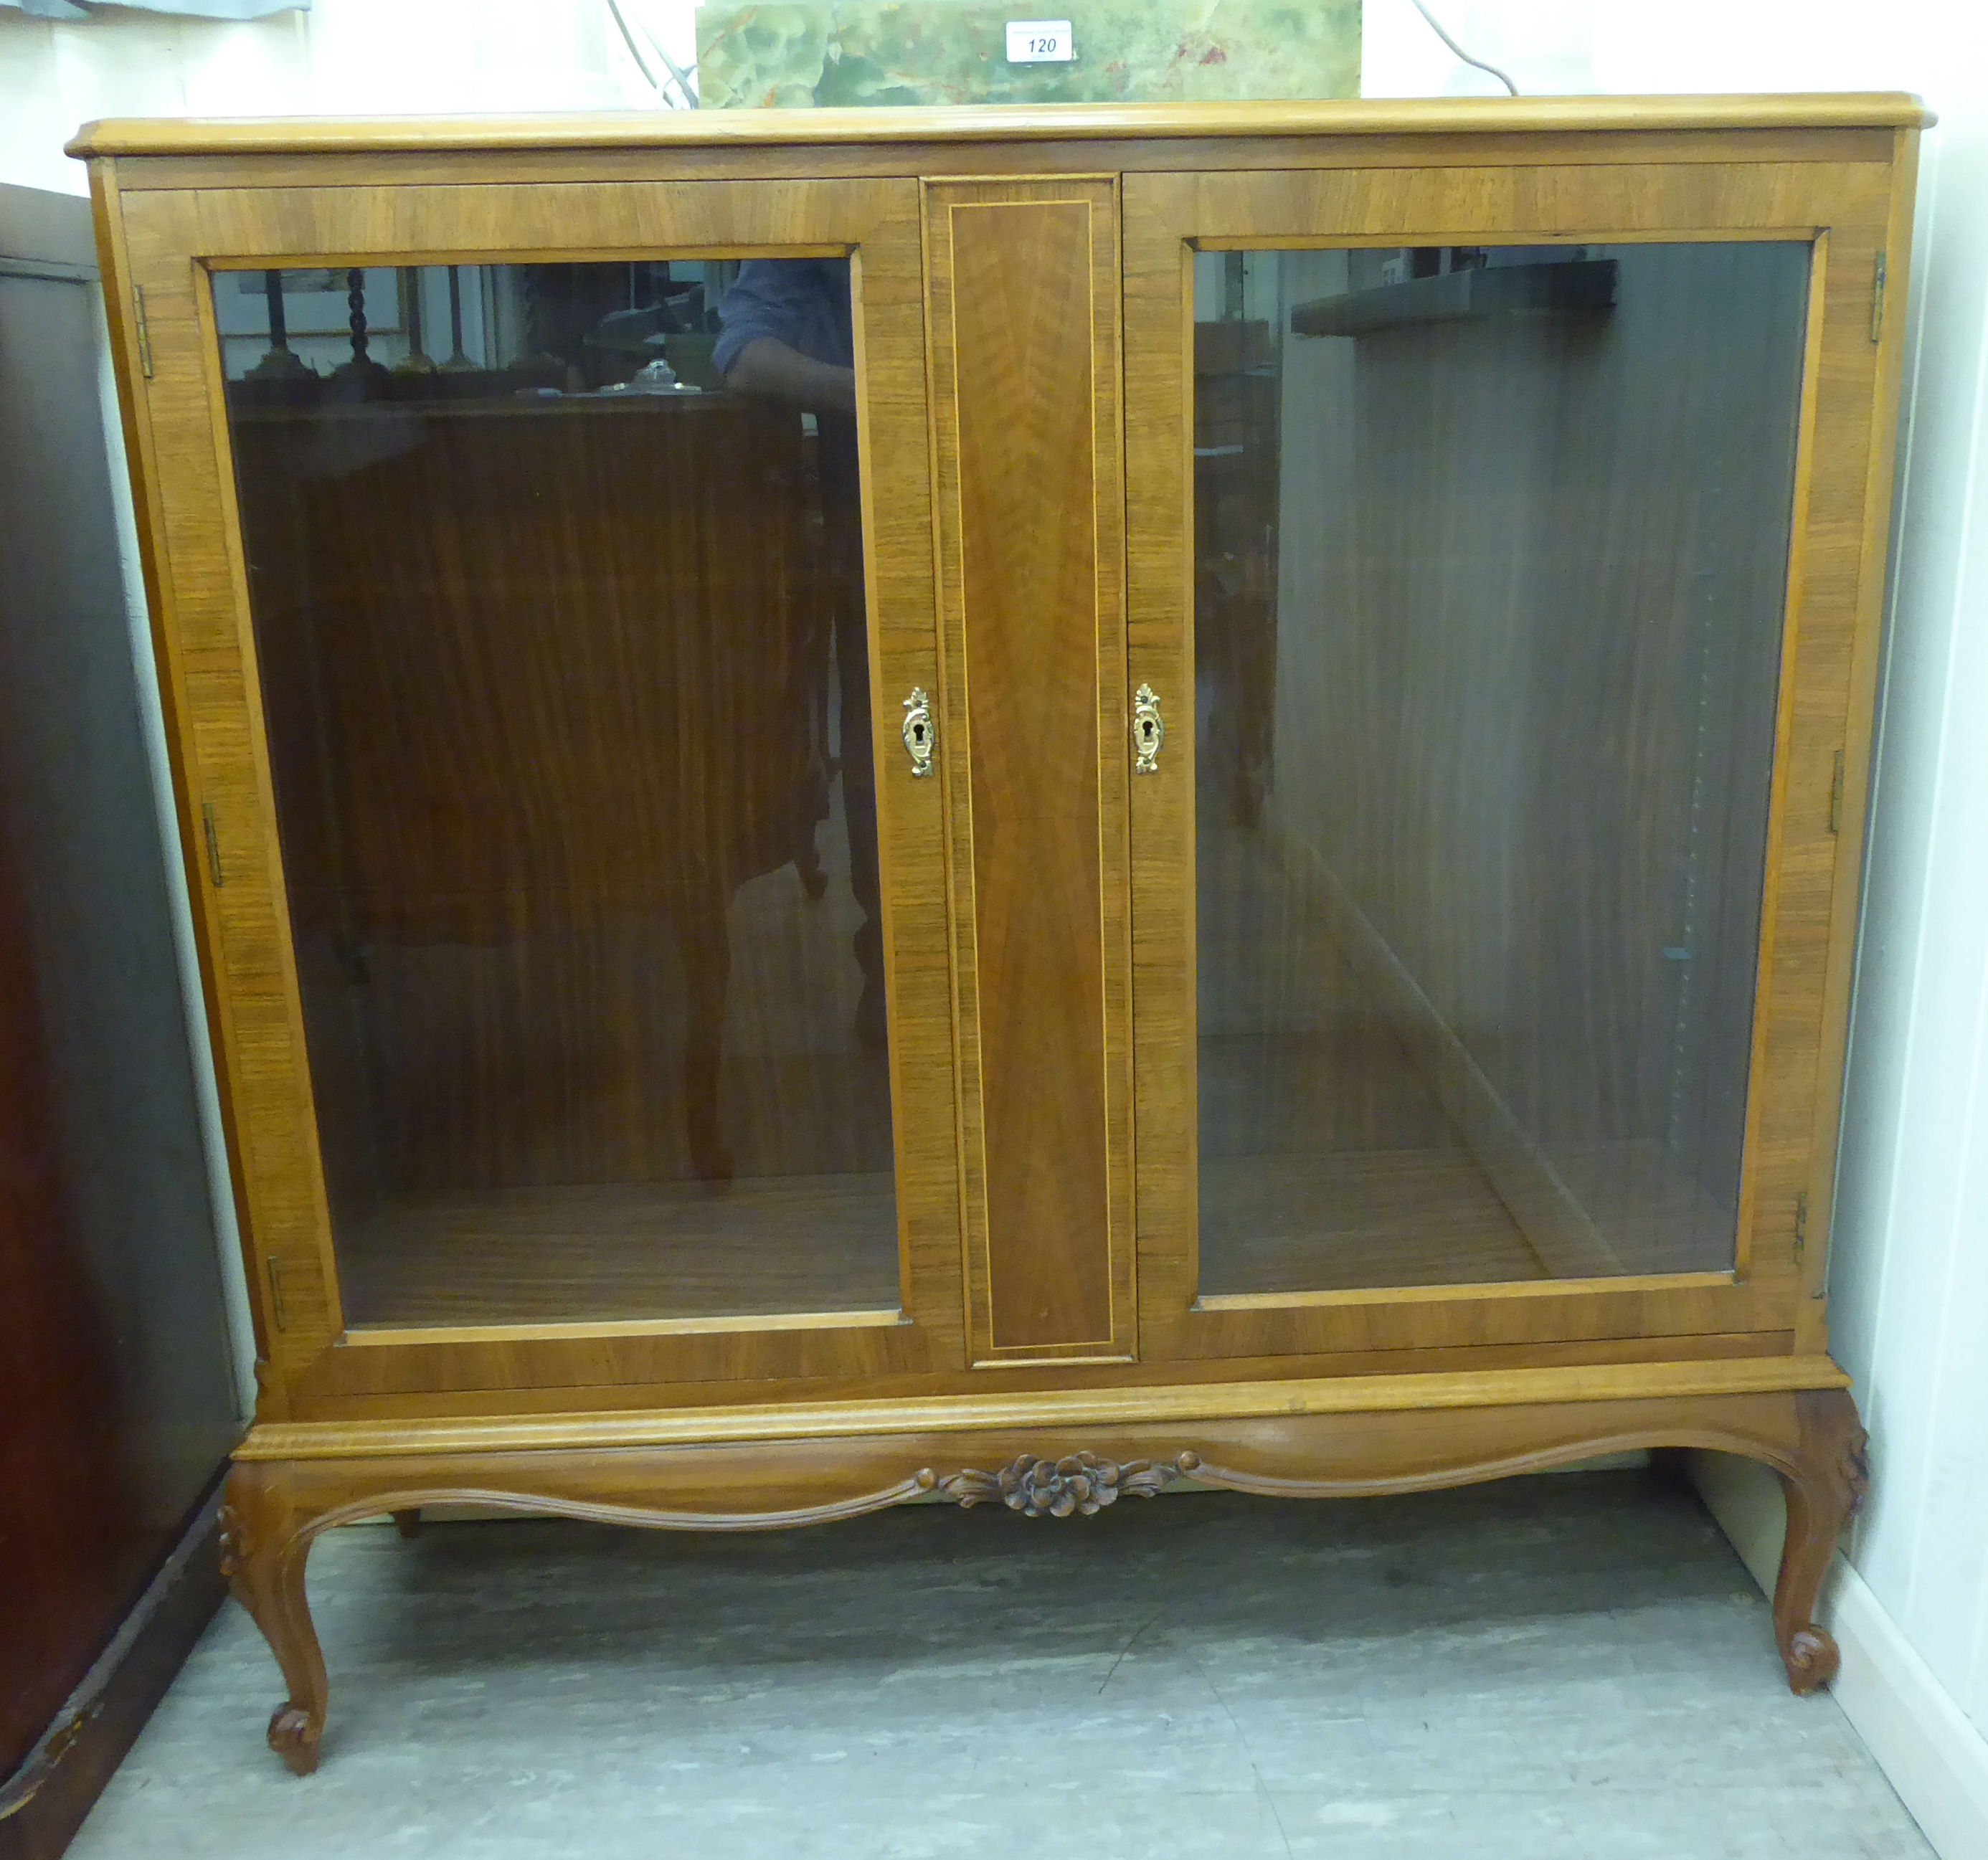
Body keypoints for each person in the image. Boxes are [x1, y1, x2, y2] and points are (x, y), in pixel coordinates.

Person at [714, 260, 886, 1049]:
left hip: (1020, 497)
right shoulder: (813, 243)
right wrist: (886, 393)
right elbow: (743, 354)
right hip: (876, 526)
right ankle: (893, 971)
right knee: (885, 745)